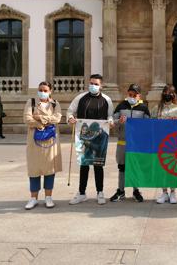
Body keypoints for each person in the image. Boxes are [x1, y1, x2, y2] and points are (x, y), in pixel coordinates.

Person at [67, 74, 114, 206]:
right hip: (84, 136)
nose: (93, 86)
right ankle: (82, 193)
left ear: (101, 86)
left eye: (96, 84)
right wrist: (70, 118)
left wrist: (110, 122)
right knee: (84, 164)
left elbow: (110, 115)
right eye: (91, 83)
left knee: (98, 165)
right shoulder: (80, 98)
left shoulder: (107, 100)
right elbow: (70, 111)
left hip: (100, 137)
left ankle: (100, 192)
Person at [23, 81, 62, 210]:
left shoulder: (55, 104)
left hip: (50, 142)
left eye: (45, 90)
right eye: (41, 90)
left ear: (50, 91)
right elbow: (27, 118)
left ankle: (48, 197)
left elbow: (57, 118)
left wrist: (39, 117)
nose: (43, 92)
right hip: (34, 142)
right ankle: (33, 198)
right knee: (34, 169)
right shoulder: (31, 102)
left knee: (49, 169)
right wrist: (42, 123)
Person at [110, 84, 150, 203]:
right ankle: (121, 191)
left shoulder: (144, 108)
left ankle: (136, 190)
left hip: (137, 144)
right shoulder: (121, 106)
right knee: (122, 167)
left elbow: (148, 125)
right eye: (130, 94)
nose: (132, 97)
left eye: (134, 95)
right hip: (122, 142)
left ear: (139, 95)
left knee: (135, 167)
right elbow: (112, 122)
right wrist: (119, 121)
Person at [151, 84, 177, 204]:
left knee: (172, 168)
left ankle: (173, 192)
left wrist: (176, 122)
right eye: (165, 92)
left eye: (170, 92)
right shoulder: (156, 108)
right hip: (160, 143)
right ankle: (164, 192)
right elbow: (151, 125)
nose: (168, 94)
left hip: (174, 143)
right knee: (161, 168)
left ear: (174, 94)